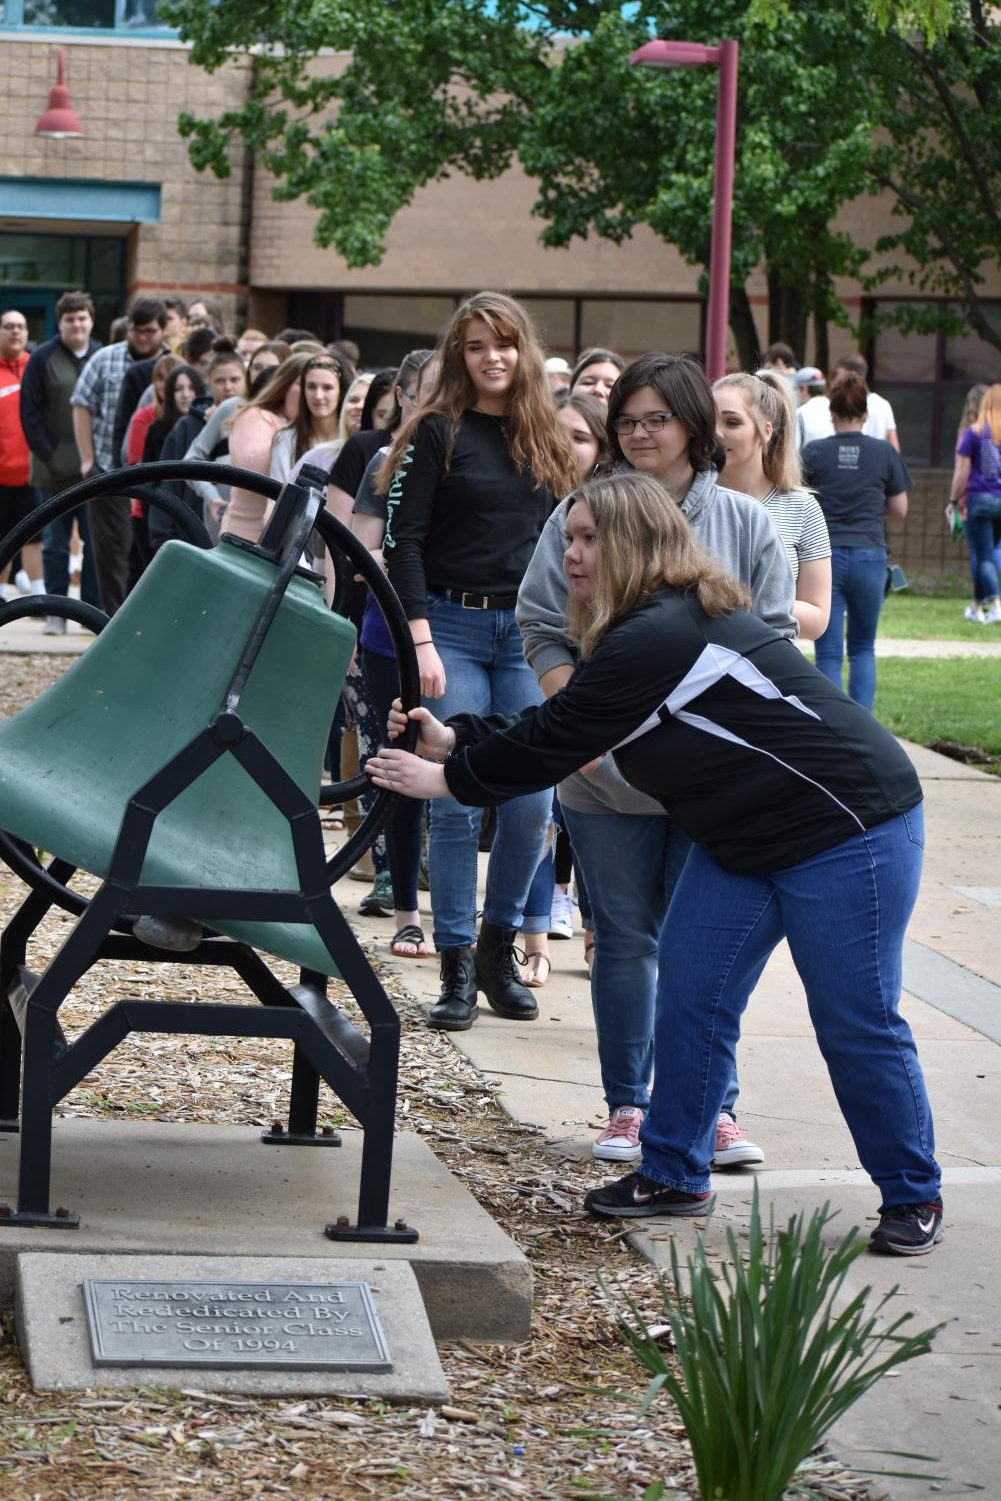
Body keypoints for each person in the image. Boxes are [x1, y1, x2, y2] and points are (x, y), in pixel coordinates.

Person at [369, 471, 943, 1258]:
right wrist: (460, 737)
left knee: (853, 1017)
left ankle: (912, 1191)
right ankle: (674, 1170)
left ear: (637, 542)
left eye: (588, 538)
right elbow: (571, 719)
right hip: (745, 834)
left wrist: (447, 778)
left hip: (848, 827)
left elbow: (565, 731)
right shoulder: (638, 631)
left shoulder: (664, 628)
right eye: (568, 536)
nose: (570, 554)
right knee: (692, 991)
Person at [516, 353, 795, 1165]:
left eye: (656, 419)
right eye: (627, 420)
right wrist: (583, 725)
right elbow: (541, 624)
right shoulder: (577, 512)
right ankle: (628, 1107)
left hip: (710, 777)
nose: (639, 433)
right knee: (625, 936)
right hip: (603, 779)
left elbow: (772, 639)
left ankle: (712, 1107)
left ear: (692, 427)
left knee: (700, 944)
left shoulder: (743, 523)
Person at [378, 290, 577, 1030]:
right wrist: (421, 636)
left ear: (522, 349)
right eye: (475, 345)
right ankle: (457, 962)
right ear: (458, 356)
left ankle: (499, 949)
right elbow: (403, 539)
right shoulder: (437, 431)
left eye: (504, 343)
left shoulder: (547, 434)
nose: (492, 357)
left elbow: (568, 543)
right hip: (452, 630)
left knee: (532, 802)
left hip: (528, 634)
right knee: (457, 798)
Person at [520, 388, 610, 986]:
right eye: (561, 434)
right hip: (543, 664)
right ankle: (532, 937)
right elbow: (539, 613)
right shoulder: (530, 496)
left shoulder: (621, 508)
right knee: (538, 807)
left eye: (581, 436)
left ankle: (599, 931)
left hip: (608, 681)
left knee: (596, 812)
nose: (567, 447)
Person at [350, 348, 439, 953]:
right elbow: (362, 557)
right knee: (398, 762)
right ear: (404, 397)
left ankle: (458, 916)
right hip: (392, 637)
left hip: (465, 631)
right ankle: (403, 899)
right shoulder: (387, 461)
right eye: (428, 391)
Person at [802, 372, 910, 708]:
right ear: (865, 416)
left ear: (831, 413)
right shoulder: (883, 452)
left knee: (829, 654)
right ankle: (864, 728)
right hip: (870, 555)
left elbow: (798, 500)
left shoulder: (813, 452)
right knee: (863, 647)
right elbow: (900, 508)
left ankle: (834, 729)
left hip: (825, 558)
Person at [714, 370, 832, 639]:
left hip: (769, 665)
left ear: (765, 431)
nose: (717, 433)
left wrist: (739, 601)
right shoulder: (688, 500)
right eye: (708, 421)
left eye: (732, 422)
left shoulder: (803, 508)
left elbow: (817, 617)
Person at [70, 295, 168, 614]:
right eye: (136, 330)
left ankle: (145, 615)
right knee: (111, 549)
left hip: (154, 473)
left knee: (143, 547)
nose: (141, 337)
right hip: (107, 468)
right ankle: (113, 616)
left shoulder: (170, 367)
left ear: (163, 331)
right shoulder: (105, 358)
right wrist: (87, 459)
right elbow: (81, 402)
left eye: (149, 331)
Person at [18, 290, 103, 631]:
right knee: (54, 543)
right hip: (51, 470)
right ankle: (57, 612)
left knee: (95, 543)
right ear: (61, 322)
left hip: (95, 471)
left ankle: (91, 611)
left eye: (82, 317)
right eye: (70, 318)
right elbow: (30, 412)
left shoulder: (101, 354)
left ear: (91, 320)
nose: (77, 324)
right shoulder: (42, 357)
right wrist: (49, 455)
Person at [0, 308, 44, 604]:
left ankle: (39, 594)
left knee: (36, 534)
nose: (16, 331)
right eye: (9, 326)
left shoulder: (36, 368)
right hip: (1, 474)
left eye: (21, 326)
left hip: (34, 471)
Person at [950, 383, 1001, 624]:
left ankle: (996, 603)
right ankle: (978, 606)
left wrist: (953, 499)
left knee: (983, 557)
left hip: (979, 499)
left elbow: (962, 471)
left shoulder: (974, 432)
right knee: (989, 554)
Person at [795, 354, 901, 453]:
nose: (836, 378)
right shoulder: (883, 404)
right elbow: (894, 446)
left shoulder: (846, 402)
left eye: (839, 373)